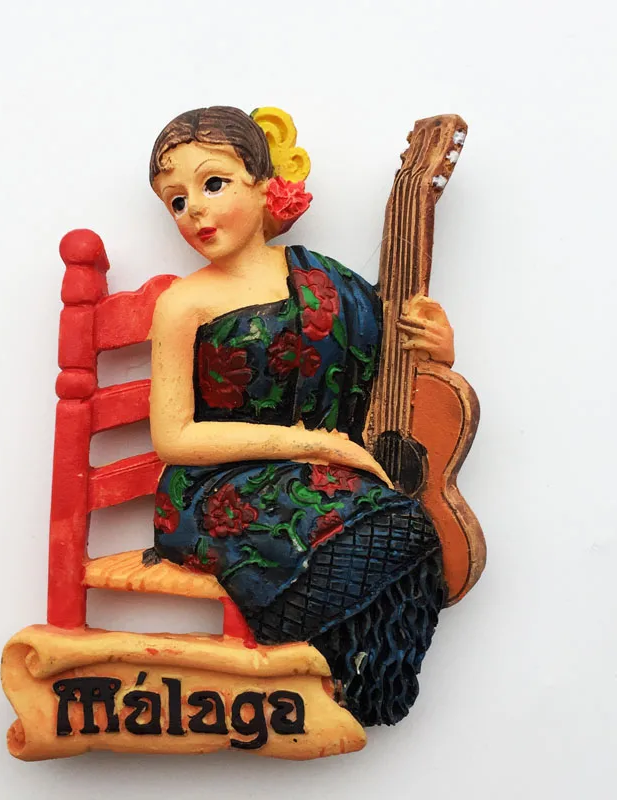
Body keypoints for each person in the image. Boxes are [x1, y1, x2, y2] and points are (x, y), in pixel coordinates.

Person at [146, 106, 453, 726]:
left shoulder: (324, 280)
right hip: (216, 487)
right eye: (175, 201)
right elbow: (173, 437)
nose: (194, 211)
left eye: (212, 184)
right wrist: (315, 444)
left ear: (265, 185)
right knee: (385, 534)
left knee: (411, 529)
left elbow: (386, 357)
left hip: (313, 478)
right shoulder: (183, 302)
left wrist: (437, 348)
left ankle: (350, 686)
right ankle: (296, 665)